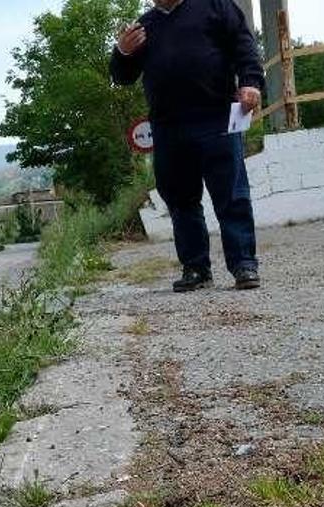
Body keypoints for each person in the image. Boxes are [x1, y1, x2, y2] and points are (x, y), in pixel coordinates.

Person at [110, 0, 264, 292]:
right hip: (168, 128)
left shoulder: (216, 6)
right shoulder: (145, 26)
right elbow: (122, 76)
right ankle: (196, 267)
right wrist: (123, 52)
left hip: (217, 117)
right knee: (180, 201)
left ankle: (244, 263)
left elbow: (244, 46)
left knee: (231, 194)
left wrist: (251, 82)